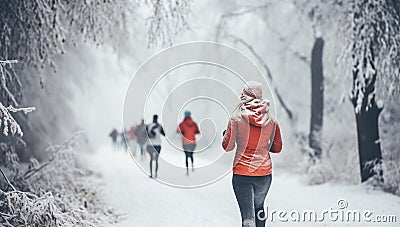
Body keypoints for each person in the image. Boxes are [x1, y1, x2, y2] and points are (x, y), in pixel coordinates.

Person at [222, 81, 282, 227]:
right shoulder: (271, 121)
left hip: (242, 174)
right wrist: (262, 145)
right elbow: (277, 148)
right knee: (259, 209)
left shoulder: (236, 119)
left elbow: (227, 147)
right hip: (264, 175)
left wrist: (227, 135)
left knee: (248, 217)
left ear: (244, 95)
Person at [177, 110, 200, 175]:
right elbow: (198, 131)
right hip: (193, 143)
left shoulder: (182, 124)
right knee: (191, 154)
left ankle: (187, 170)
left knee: (186, 156)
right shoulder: (194, 123)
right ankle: (192, 165)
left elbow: (178, 131)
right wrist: (193, 132)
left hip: (185, 143)